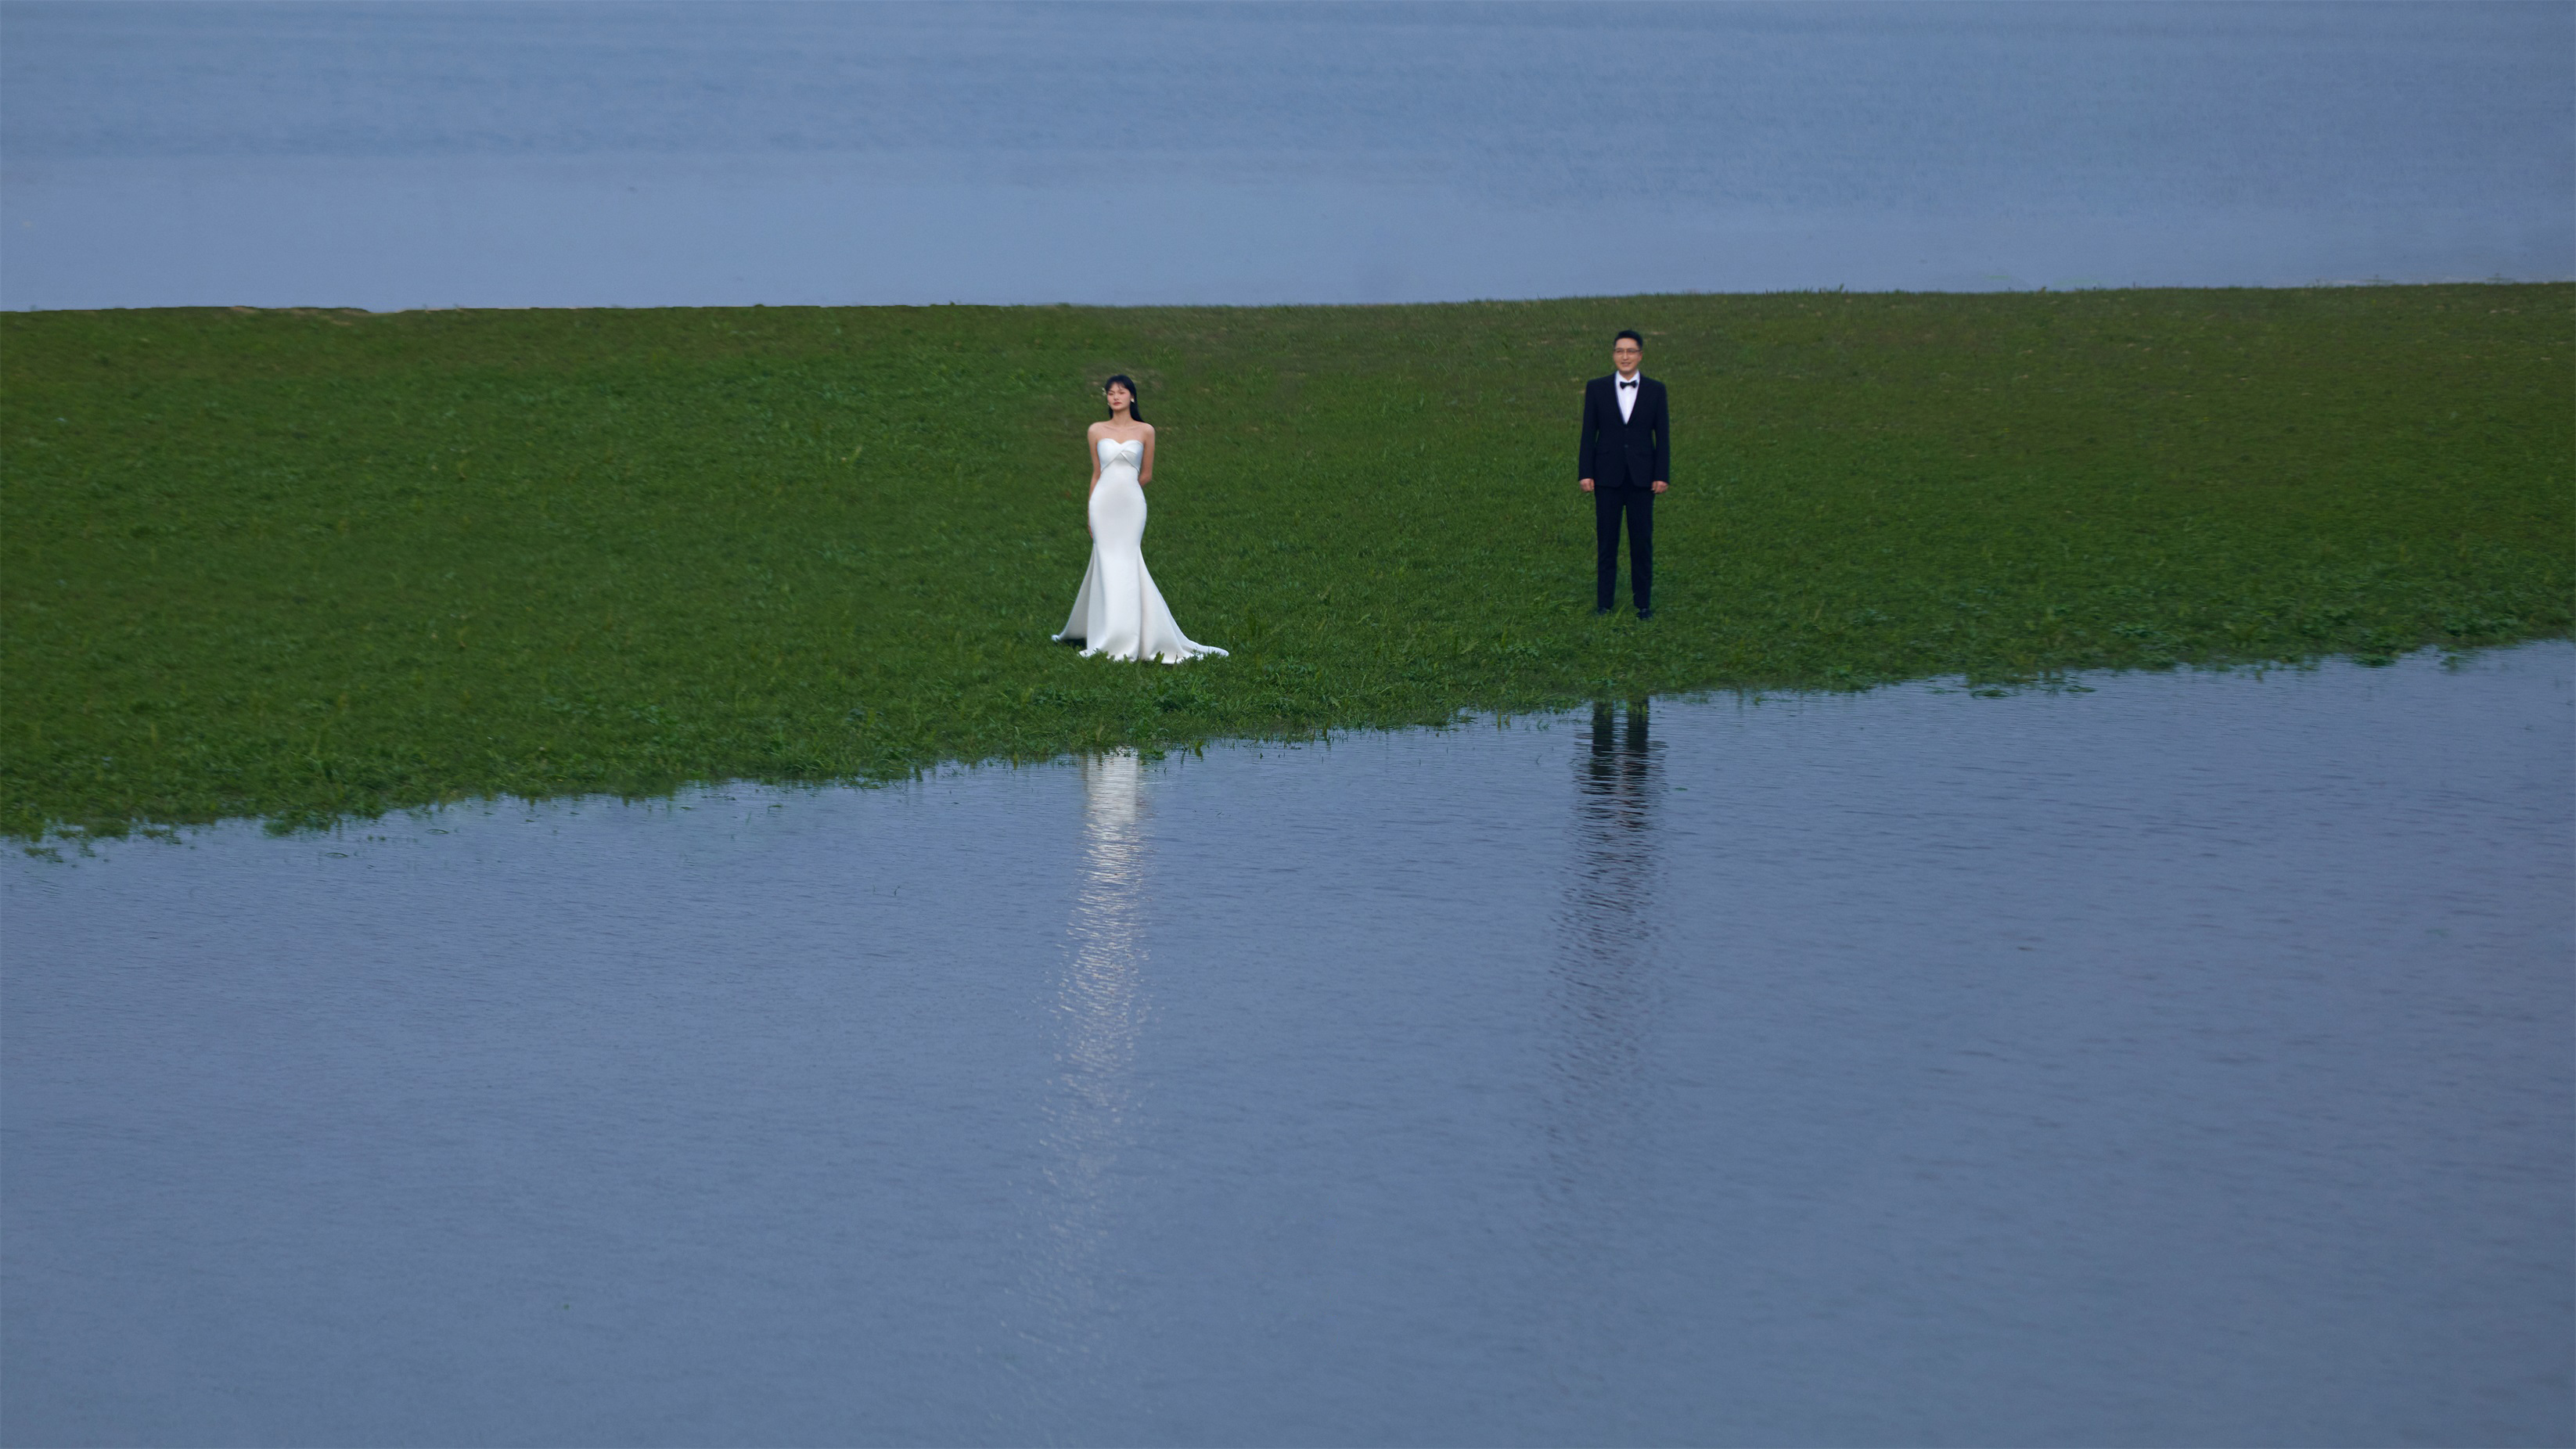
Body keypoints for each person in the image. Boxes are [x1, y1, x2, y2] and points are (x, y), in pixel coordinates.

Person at [1054, 376, 1228, 663]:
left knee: (1127, 561)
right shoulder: (1096, 430)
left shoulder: (1146, 431)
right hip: (1102, 506)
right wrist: (1090, 510)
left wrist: (1127, 491)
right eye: (1111, 393)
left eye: (1121, 392)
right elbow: (1097, 474)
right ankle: (1108, 631)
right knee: (1106, 563)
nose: (1115, 397)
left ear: (1132, 397)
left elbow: (1146, 474)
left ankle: (1128, 633)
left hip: (1131, 507)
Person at [1577, 329, 1669, 619]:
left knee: (1642, 542)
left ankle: (1643, 605)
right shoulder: (1597, 388)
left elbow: (1663, 436)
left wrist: (1662, 474)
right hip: (1607, 477)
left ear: (1640, 355)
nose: (1625, 356)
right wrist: (1585, 472)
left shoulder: (1656, 390)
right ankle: (1604, 604)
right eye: (1620, 351)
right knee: (1607, 541)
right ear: (1614, 355)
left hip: (1642, 478)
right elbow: (1588, 433)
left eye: (1630, 351)